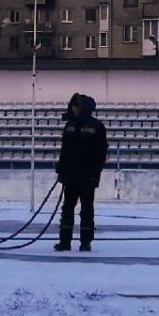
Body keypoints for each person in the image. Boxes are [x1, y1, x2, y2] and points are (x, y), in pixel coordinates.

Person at [55, 93, 108, 252]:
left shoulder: (97, 127)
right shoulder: (69, 125)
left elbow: (100, 154)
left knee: (86, 210)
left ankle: (86, 242)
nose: (73, 108)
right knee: (67, 209)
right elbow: (64, 151)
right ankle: (65, 241)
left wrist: (94, 174)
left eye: (76, 105)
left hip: (87, 177)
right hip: (70, 176)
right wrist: (61, 167)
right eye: (72, 105)